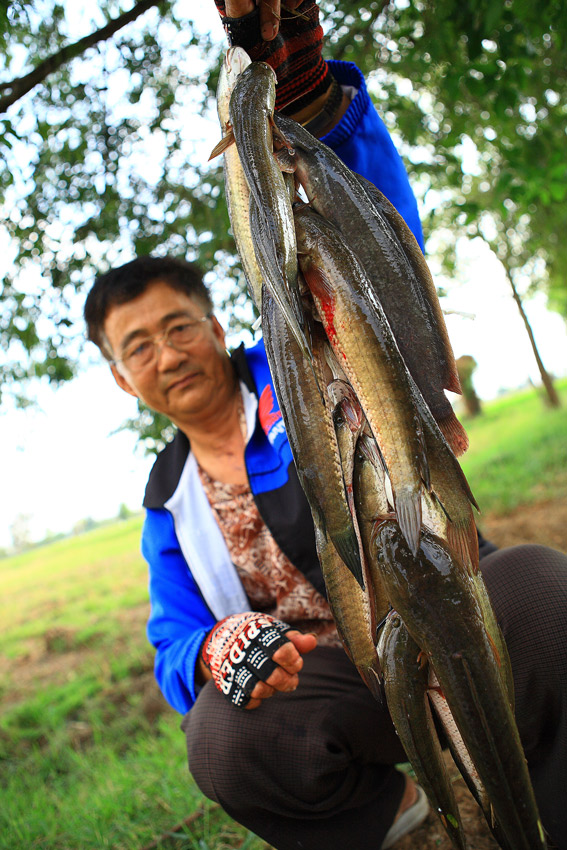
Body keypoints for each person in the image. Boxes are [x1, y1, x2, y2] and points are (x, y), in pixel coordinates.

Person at [83, 2, 567, 848]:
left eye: (179, 325)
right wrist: (211, 651)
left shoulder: (306, 353)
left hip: (454, 611)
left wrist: (305, 92)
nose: (167, 353)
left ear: (217, 324)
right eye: (139, 347)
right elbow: (174, 639)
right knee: (223, 741)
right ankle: (404, 824)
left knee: (539, 589)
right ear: (122, 378)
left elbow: (373, 255)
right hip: (343, 681)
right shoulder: (170, 506)